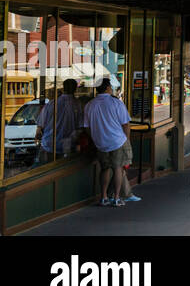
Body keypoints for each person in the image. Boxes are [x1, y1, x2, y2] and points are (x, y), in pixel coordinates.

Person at [84, 78, 135, 206]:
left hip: (101, 143)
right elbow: (125, 124)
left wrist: (96, 138)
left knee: (104, 169)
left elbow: (86, 127)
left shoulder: (90, 105)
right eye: (110, 87)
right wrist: (127, 139)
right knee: (118, 168)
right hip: (117, 141)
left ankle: (104, 197)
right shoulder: (116, 103)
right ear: (107, 88)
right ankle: (117, 198)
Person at [35, 78, 83, 161]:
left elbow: (40, 126)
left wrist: (38, 137)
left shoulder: (52, 103)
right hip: (67, 146)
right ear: (75, 89)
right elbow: (80, 127)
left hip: (50, 144)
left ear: (63, 88)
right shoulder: (78, 105)